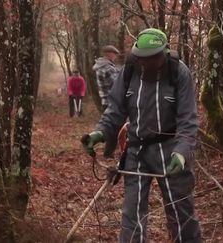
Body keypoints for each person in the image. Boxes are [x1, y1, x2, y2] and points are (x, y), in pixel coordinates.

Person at [81, 28, 201, 243]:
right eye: (142, 58)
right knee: (132, 214)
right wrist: (99, 132)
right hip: (136, 150)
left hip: (170, 148)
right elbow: (115, 109)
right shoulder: (128, 72)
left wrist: (182, 153)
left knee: (181, 211)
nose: (146, 63)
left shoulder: (179, 72)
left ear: (164, 54)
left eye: (153, 58)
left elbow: (188, 119)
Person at [93, 45, 120, 111]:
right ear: (109, 54)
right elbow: (118, 85)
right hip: (112, 102)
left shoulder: (101, 66)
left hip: (106, 101)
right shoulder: (107, 68)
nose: (115, 57)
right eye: (115, 54)